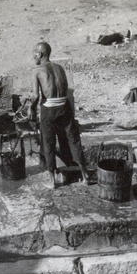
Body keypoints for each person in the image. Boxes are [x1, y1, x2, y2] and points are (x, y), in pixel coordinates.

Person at [28, 42, 88, 189]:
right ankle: (85, 174)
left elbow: (36, 95)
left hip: (49, 109)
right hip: (64, 106)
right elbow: (65, 89)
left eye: (34, 54)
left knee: (48, 142)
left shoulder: (37, 70)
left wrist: (31, 108)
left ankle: (52, 180)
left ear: (40, 54)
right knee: (73, 139)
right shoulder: (59, 68)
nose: (33, 57)